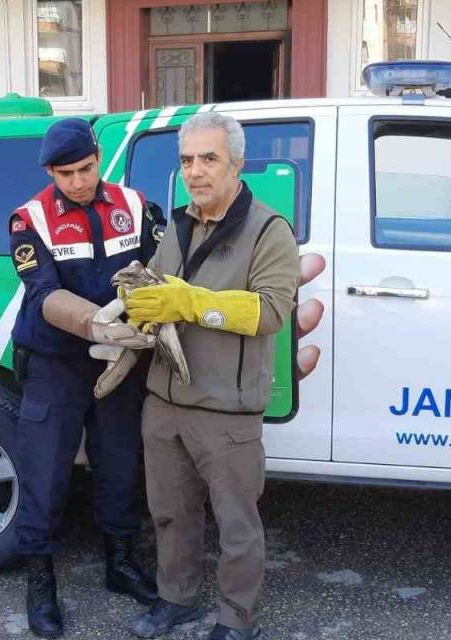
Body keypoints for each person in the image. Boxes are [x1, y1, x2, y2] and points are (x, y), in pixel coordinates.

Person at [124, 112, 300, 640]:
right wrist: (139, 302)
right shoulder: (177, 224)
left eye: (209, 159)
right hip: (165, 401)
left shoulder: (269, 229)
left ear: (237, 164)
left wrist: (194, 304)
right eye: (186, 160)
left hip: (226, 410)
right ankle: (175, 599)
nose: (196, 171)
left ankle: (235, 619)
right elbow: (157, 288)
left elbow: (271, 312)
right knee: (170, 515)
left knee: (237, 525)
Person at [8, 117, 162, 638]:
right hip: (56, 361)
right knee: (45, 472)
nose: (77, 181)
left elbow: (159, 268)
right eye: (65, 173)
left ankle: (119, 563)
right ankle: (40, 580)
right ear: (50, 171)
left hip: (121, 360)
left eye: (86, 168)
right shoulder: (29, 219)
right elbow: (41, 293)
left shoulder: (135, 205)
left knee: (120, 463)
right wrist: (95, 322)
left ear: (100, 157)